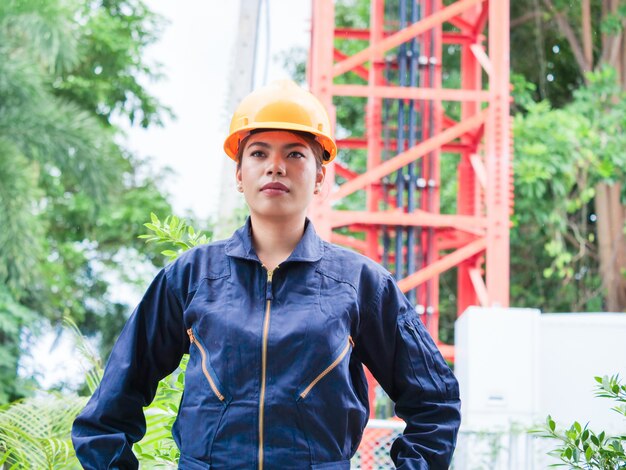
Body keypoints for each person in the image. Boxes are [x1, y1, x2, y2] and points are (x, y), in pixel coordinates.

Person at [72, 80, 461, 469]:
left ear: (321, 176)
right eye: (259, 153)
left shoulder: (361, 285)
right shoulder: (190, 278)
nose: (276, 166)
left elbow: (435, 404)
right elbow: (108, 411)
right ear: (239, 174)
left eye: (295, 154)